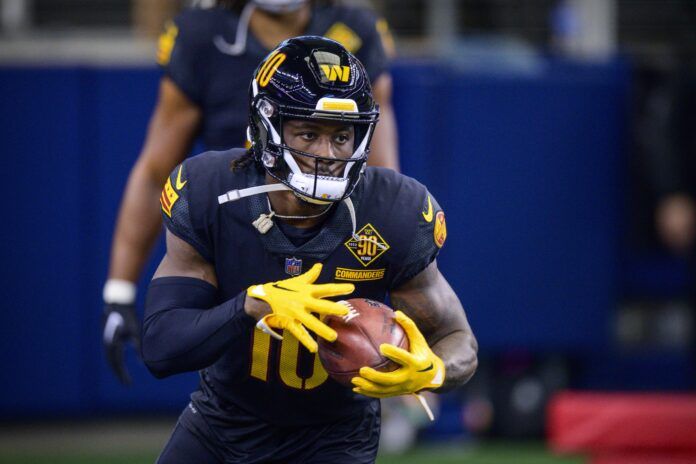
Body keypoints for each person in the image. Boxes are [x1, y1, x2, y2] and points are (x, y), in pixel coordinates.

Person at [141, 36, 477, 463]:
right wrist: (250, 306)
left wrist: (434, 369)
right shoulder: (210, 192)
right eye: (308, 132)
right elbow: (160, 346)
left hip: (335, 438)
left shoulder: (395, 210)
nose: (328, 154)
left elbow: (457, 337)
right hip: (222, 425)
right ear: (266, 127)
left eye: (341, 136)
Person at [102, 0, 400, 384]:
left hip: (331, 231)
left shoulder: (355, 29)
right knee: (233, 379)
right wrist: (119, 290)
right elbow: (154, 172)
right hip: (242, 231)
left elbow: (380, 176)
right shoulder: (204, 35)